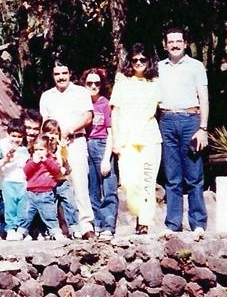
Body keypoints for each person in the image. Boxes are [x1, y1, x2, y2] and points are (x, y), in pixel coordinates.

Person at [157, 27, 209, 232]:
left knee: (194, 175)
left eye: (178, 41)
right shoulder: (158, 67)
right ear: (165, 45)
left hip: (190, 121)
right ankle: (173, 224)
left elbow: (203, 97)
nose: (175, 45)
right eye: (171, 42)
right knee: (171, 176)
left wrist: (203, 128)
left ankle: (198, 223)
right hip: (166, 120)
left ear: (185, 43)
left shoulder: (196, 66)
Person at [106, 44, 162, 234]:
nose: (138, 63)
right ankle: (139, 213)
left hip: (150, 137)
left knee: (147, 180)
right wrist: (115, 140)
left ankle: (144, 222)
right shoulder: (122, 81)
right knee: (129, 182)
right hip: (126, 138)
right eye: (135, 60)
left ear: (148, 62)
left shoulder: (155, 82)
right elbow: (115, 112)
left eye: (142, 60)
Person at [39, 61, 95, 239]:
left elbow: (88, 116)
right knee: (58, 186)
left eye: (64, 73)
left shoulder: (81, 92)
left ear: (70, 73)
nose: (61, 77)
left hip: (75, 142)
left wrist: (69, 130)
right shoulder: (47, 96)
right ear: (53, 75)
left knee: (79, 184)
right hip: (54, 145)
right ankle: (64, 227)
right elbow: (44, 122)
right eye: (57, 74)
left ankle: (86, 225)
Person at [81, 68, 119, 240]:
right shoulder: (80, 102)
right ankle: (97, 224)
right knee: (92, 189)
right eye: (89, 83)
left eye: (97, 83)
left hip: (102, 144)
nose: (93, 86)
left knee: (109, 188)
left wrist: (106, 158)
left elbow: (111, 132)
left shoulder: (105, 104)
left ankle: (108, 226)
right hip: (84, 144)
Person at [12, 134, 65, 241]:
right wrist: (34, 163)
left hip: (46, 193)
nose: (38, 152)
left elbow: (56, 170)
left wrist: (46, 160)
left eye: (41, 149)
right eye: (36, 150)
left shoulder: (51, 160)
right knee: (26, 215)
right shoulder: (31, 160)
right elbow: (25, 172)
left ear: (48, 149)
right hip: (30, 194)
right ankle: (22, 232)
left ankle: (55, 231)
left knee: (49, 214)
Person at [0, 119, 30, 239]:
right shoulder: (2, 144)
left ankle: (22, 232)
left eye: (19, 136)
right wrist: (4, 160)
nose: (16, 139)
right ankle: (10, 231)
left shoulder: (26, 147)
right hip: (4, 187)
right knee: (6, 223)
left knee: (22, 211)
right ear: (7, 133)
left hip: (21, 185)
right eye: (13, 136)